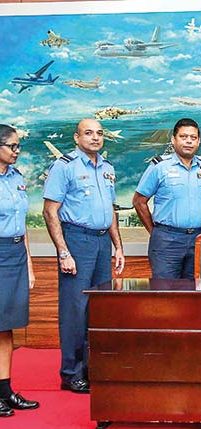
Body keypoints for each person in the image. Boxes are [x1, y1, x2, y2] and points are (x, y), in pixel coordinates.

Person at [43, 118, 125, 394]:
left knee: (98, 309)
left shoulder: (107, 168)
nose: (95, 138)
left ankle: (93, 369)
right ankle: (71, 373)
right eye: (88, 133)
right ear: (76, 137)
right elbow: (50, 211)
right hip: (77, 240)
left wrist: (118, 246)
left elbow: (110, 210)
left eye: (99, 133)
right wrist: (63, 251)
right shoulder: (64, 166)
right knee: (75, 309)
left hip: (102, 242)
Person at [133, 118, 201, 279]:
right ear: (173, 140)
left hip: (197, 238)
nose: (189, 141)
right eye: (183, 137)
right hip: (167, 240)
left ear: (198, 141)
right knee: (165, 290)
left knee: (194, 289)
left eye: (193, 137)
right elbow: (139, 201)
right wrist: (154, 231)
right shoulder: (159, 167)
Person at [0, 125, 39, 417]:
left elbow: (21, 225)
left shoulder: (16, 178)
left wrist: (29, 263)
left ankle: (5, 390)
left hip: (15, 254)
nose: (17, 151)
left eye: (18, 146)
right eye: (12, 146)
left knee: (7, 326)